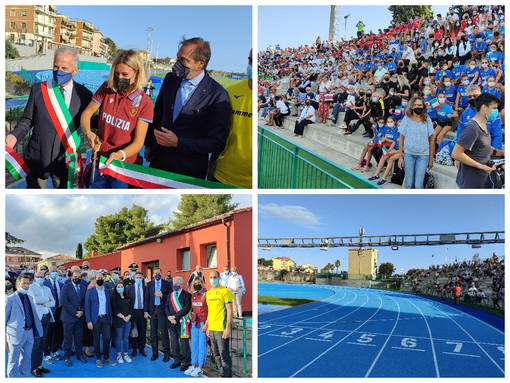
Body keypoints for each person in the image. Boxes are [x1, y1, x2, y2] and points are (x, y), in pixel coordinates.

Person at [5, 47, 92, 188]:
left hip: (65, 161)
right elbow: (27, 120)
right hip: (37, 158)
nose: (59, 71)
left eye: (64, 68)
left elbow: (89, 122)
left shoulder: (85, 95)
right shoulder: (38, 89)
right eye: (56, 66)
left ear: (75, 70)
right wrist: (14, 136)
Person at [145, 37, 230, 179]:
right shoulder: (170, 79)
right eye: (177, 58)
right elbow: (158, 113)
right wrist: (149, 144)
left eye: (183, 60)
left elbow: (217, 142)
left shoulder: (218, 94)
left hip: (187, 170)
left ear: (200, 64)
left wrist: (178, 142)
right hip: (158, 160)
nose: (177, 64)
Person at [80, 50, 153, 189]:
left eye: (125, 74)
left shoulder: (145, 103)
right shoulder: (106, 87)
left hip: (123, 166)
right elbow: (87, 114)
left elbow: (138, 143)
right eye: (116, 73)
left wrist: (120, 154)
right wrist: (88, 133)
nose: (120, 78)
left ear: (137, 74)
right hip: (99, 160)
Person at [209, 49, 253, 188]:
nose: (251, 65)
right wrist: (210, 166)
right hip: (223, 174)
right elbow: (220, 133)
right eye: (250, 60)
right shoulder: (231, 92)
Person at [452, 92, 504, 188]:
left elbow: (485, 147)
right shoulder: (472, 127)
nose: (496, 111)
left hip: (482, 181)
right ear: (484, 108)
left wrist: (503, 153)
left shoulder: (484, 125)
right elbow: (456, 153)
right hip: (470, 183)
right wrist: (482, 167)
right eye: (494, 108)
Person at [6, 274, 43, 378]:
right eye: (24, 283)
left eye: (28, 283)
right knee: (13, 361)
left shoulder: (30, 298)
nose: (26, 285)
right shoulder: (10, 299)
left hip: (29, 333)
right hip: (15, 335)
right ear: (17, 284)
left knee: (26, 360)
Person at [398, 96, 435, 189]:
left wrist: (431, 159)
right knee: (408, 184)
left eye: (420, 105)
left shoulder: (427, 119)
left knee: (419, 185)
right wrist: (400, 156)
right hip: (408, 154)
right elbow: (401, 138)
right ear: (412, 106)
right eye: (416, 105)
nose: (418, 107)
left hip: (423, 155)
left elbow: (432, 140)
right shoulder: (406, 119)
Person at [203, 270, 233, 378]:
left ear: (219, 278)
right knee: (216, 355)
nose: (212, 279)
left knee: (224, 356)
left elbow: (229, 310)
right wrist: (207, 326)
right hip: (212, 330)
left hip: (221, 329)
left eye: (214, 277)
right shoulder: (208, 293)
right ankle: (221, 375)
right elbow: (210, 312)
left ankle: (228, 377)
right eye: (210, 277)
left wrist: (227, 328)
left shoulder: (225, 292)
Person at [85, 271, 116, 368]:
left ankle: (106, 358)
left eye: (102, 278)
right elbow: (87, 307)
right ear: (94, 280)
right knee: (96, 340)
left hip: (105, 318)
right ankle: (98, 359)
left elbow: (109, 306)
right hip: (95, 319)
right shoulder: (90, 291)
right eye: (98, 278)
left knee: (107, 338)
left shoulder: (106, 291)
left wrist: (110, 318)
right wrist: (88, 321)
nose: (100, 279)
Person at [28, 270, 55, 377]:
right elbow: (35, 300)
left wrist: (43, 300)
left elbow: (53, 302)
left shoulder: (47, 288)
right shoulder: (31, 288)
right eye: (37, 276)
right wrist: (46, 299)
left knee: (43, 342)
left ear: (44, 277)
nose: (39, 278)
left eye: (41, 276)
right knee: (36, 344)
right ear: (34, 277)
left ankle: (39, 365)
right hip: (37, 319)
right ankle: (33, 368)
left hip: (47, 317)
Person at [60, 269, 88, 366]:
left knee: (79, 337)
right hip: (68, 317)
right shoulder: (65, 287)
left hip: (80, 317)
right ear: (72, 277)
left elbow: (86, 302)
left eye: (79, 277)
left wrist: (82, 312)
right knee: (67, 338)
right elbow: (64, 302)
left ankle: (80, 355)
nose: (77, 279)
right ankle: (67, 357)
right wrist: (75, 312)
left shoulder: (84, 287)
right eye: (75, 277)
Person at [144, 267, 171, 361]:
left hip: (162, 310)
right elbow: (146, 298)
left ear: (161, 273)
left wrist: (162, 296)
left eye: (158, 273)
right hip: (152, 311)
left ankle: (166, 354)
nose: (157, 275)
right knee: (153, 333)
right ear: (152, 274)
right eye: (155, 273)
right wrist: (146, 311)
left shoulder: (167, 283)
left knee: (164, 332)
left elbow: (170, 297)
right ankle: (154, 353)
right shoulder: (150, 284)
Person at [166, 276, 192, 371]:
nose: (174, 286)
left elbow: (186, 308)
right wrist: (169, 317)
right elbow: (166, 306)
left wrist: (175, 317)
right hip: (172, 322)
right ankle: (176, 360)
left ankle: (186, 362)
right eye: (173, 284)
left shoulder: (187, 295)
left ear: (181, 284)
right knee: (174, 342)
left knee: (184, 343)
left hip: (182, 323)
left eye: (176, 284)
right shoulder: (170, 295)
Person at [185, 277, 208, 377]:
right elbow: (191, 308)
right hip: (194, 322)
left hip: (203, 322)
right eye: (196, 283)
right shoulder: (193, 295)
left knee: (202, 345)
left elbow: (209, 310)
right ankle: (194, 364)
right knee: (194, 344)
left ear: (202, 283)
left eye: (199, 283)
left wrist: (207, 323)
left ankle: (200, 367)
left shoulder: (206, 294)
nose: (197, 284)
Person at [43, 266, 64, 364]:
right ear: (49, 272)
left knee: (58, 332)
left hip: (60, 310)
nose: (55, 273)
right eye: (53, 271)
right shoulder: (45, 284)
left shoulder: (61, 284)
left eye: (56, 271)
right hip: (49, 311)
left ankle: (54, 350)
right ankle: (46, 354)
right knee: (48, 333)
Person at [127, 272, 147, 357]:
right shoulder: (129, 288)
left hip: (142, 312)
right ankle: (134, 349)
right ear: (134, 278)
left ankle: (142, 349)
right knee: (134, 332)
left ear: (142, 278)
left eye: (140, 277)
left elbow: (147, 300)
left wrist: (146, 311)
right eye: (137, 277)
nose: (138, 279)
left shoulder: (146, 288)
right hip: (133, 312)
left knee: (142, 331)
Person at [111, 280, 132, 364]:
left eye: (121, 287)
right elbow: (115, 310)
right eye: (118, 287)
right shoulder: (114, 298)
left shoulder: (128, 297)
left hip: (128, 320)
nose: (120, 288)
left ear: (124, 288)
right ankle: (119, 354)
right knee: (119, 337)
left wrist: (129, 316)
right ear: (116, 288)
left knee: (126, 337)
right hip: (119, 320)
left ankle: (126, 354)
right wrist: (123, 317)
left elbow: (131, 308)